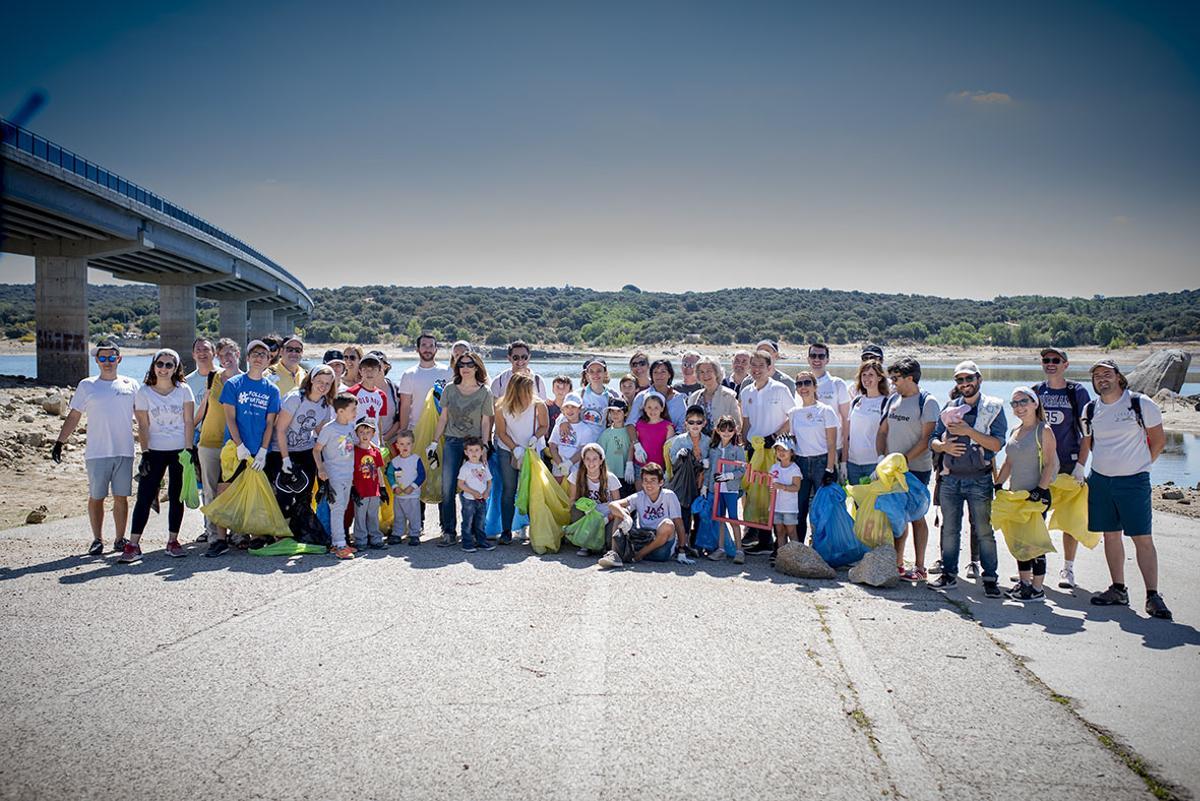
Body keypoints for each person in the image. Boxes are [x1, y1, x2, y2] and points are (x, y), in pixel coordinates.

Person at [1082, 360, 1171, 619]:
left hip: (1133, 481)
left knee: (1142, 538)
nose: (1101, 379)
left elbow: (1159, 441)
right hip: (1100, 480)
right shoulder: (1089, 409)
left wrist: (1140, 466)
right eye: (1097, 376)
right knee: (1111, 535)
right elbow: (1090, 442)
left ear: (1119, 377)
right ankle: (1118, 589)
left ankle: (1153, 595)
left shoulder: (1140, 404)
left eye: (1106, 374)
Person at [51, 342, 139, 556]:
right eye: (103, 358)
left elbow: (143, 418)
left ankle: (120, 539)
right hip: (97, 452)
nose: (107, 362)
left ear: (119, 359)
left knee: (121, 497)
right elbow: (74, 415)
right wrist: (60, 441)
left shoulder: (131, 384)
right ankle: (97, 539)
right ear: (96, 360)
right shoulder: (87, 385)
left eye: (111, 358)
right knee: (96, 496)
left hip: (125, 451)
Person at [928, 360, 1006, 594]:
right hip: (950, 479)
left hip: (980, 479)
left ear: (979, 379)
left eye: (969, 379)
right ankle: (949, 574)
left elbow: (997, 444)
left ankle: (990, 579)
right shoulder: (950, 406)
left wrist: (969, 432)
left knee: (983, 531)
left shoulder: (993, 408)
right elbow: (932, 439)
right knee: (949, 529)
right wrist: (943, 447)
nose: (965, 384)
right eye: (960, 380)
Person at [207, 339, 281, 556]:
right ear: (247, 358)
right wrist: (239, 445)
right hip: (233, 449)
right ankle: (220, 539)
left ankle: (256, 537)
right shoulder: (234, 384)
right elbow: (230, 417)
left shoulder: (272, 390)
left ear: (269, 361)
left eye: (264, 355)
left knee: (256, 493)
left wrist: (263, 450)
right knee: (224, 492)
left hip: (258, 451)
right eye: (255, 354)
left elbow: (270, 423)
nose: (259, 358)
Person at [124, 349, 196, 563]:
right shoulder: (144, 392)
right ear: (154, 366)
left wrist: (189, 449)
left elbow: (189, 421)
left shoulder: (184, 390)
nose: (164, 369)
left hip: (179, 451)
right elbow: (143, 425)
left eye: (169, 365)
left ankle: (173, 541)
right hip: (154, 451)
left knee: (176, 496)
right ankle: (133, 544)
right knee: (144, 497)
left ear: (176, 368)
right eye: (160, 364)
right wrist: (145, 453)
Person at [1033, 346, 1092, 589]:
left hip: (1068, 463)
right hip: (1041, 464)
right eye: (1046, 360)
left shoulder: (1076, 392)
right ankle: (1034, 568)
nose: (1050, 363)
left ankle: (1067, 569)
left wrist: (1081, 464)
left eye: (1056, 360)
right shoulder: (1037, 391)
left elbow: (1087, 431)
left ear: (1065, 364)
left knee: (1069, 520)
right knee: (1035, 516)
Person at [877, 357, 939, 579]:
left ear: (910, 378)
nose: (892, 383)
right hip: (892, 470)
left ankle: (920, 567)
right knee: (897, 516)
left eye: (896, 378)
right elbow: (883, 431)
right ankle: (898, 564)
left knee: (917, 516)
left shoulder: (927, 401)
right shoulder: (893, 399)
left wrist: (902, 460)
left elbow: (926, 440)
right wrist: (881, 458)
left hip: (916, 470)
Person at [994, 387, 1059, 602]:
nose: (1019, 407)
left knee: (1035, 541)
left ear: (1035, 403)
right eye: (1014, 403)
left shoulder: (1044, 430)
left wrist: (1039, 490)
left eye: (1023, 402)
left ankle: (1038, 589)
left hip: (1036, 497)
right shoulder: (1015, 431)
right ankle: (1024, 584)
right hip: (1017, 496)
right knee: (1020, 541)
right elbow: (1009, 461)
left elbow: (1049, 464)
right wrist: (999, 484)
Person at [430, 352, 493, 546]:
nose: (465, 367)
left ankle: (474, 532)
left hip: (474, 445)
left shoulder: (485, 392)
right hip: (452, 442)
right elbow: (443, 418)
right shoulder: (449, 389)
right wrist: (433, 442)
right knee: (448, 487)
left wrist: (484, 446)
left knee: (477, 486)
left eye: (469, 364)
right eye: (461, 364)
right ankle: (449, 531)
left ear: (477, 367)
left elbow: (485, 422)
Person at [268, 364, 336, 515]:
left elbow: (321, 433)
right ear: (311, 379)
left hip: (305, 450)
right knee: (284, 495)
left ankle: (301, 529)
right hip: (281, 450)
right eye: (320, 381)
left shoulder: (324, 404)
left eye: (327, 383)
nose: (323, 386)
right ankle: (280, 533)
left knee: (304, 495)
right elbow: (279, 430)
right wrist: (285, 459)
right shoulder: (295, 398)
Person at [598, 462, 691, 568]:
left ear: (661, 482)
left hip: (661, 547)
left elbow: (679, 523)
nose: (648, 484)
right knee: (620, 512)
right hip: (643, 539)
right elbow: (613, 505)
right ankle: (614, 554)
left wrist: (682, 550)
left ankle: (638, 556)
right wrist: (625, 516)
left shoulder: (669, 495)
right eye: (645, 480)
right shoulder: (639, 496)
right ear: (641, 483)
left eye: (653, 480)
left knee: (668, 524)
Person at [783, 370, 839, 547]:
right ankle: (799, 548)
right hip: (800, 463)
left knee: (821, 509)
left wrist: (830, 469)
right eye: (799, 384)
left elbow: (831, 444)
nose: (803, 387)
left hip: (822, 463)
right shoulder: (793, 413)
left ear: (815, 386)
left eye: (807, 383)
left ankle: (822, 547)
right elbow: (792, 442)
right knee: (799, 509)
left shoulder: (825, 410)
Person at [493, 372, 548, 544]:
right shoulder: (502, 407)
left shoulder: (538, 405)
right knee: (509, 489)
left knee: (532, 490)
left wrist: (534, 438)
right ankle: (506, 530)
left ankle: (535, 530)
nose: (528, 395)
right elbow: (501, 432)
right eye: (525, 390)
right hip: (508, 450)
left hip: (531, 450)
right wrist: (514, 448)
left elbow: (544, 426)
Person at [194, 339, 240, 542]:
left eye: (230, 353)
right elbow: (203, 408)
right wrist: (187, 437)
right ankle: (213, 536)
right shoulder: (213, 378)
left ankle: (238, 534)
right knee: (211, 492)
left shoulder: (246, 380)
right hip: (209, 442)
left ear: (238, 354)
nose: (226, 358)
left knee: (236, 490)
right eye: (221, 355)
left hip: (235, 444)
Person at [314, 393, 358, 559]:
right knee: (337, 508)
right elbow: (316, 449)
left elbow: (354, 444)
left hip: (348, 474)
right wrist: (321, 469)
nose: (355, 412)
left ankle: (338, 542)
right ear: (340, 411)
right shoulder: (329, 429)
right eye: (352, 409)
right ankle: (339, 544)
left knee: (343, 506)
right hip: (334, 475)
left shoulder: (349, 427)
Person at [567, 442, 624, 556]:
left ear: (601, 460)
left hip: (606, 516)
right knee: (575, 509)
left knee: (609, 541)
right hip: (588, 514)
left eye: (594, 459)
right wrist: (586, 514)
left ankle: (601, 545)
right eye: (587, 459)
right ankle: (585, 543)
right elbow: (571, 500)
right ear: (583, 460)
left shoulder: (610, 478)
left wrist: (608, 518)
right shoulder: (576, 475)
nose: (591, 463)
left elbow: (619, 504)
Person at [666, 404, 711, 542]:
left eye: (698, 422)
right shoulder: (679, 440)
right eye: (691, 422)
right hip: (685, 483)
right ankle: (683, 542)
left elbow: (712, 463)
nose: (695, 425)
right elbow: (673, 461)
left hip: (701, 482)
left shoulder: (708, 441)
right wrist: (681, 455)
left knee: (700, 512)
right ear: (686, 423)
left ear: (704, 423)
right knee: (684, 511)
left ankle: (696, 541)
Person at [807, 342, 851, 483]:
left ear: (827, 360)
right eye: (813, 355)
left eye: (821, 356)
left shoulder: (837, 384)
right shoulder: (802, 384)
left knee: (829, 496)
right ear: (808, 359)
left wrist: (843, 460)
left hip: (832, 450)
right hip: (807, 450)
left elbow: (846, 421)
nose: (817, 359)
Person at [706, 415, 746, 563]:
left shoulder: (737, 449)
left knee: (733, 519)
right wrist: (706, 486)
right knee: (720, 519)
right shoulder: (713, 449)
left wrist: (729, 475)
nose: (727, 433)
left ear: (734, 431)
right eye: (723, 429)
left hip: (731, 489)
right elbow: (710, 470)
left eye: (730, 430)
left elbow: (742, 469)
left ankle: (739, 550)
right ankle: (721, 549)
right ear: (717, 430)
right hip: (716, 489)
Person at [846, 360, 889, 485]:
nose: (866, 378)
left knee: (873, 503)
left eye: (871, 375)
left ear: (880, 378)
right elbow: (848, 433)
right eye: (863, 375)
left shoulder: (886, 402)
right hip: (853, 463)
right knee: (855, 503)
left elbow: (887, 434)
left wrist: (882, 461)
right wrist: (844, 462)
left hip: (873, 463)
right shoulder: (856, 401)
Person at [397, 333, 450, 432]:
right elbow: (405, 406)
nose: (427, 349)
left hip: (442, 429)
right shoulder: (408, 374)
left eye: (431, 346)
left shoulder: (448, 372)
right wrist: (403, 430)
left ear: (436, 349)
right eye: (424, 345)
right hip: (416, 429)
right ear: (417, 349)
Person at [351, 416, 387, 551]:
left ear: (373, 434)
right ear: (356, 434)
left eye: (368, 432)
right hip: (360, 491)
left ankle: (375, 538)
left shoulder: (375, 451)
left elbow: (378, 470)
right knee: (360, 516)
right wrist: (352, 488)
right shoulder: (354, 451)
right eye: (361, 432)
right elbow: (350, 471)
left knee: (373, 515)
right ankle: (360, 540)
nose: (365, 435)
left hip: (374, 490)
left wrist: (382, 488)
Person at [457, 435, 494, 553]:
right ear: (466, 452)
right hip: (469, 499)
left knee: (481, 521)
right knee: (468, 521)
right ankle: (467, 543)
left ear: (482, 451)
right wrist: (473, 492)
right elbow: (461, 484)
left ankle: (481, 541)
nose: (474, 453)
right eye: (471, 450)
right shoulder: (465, 467)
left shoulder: (484, 466)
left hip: (482, 499)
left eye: (477, 450)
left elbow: (489, 481)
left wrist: (487, 491)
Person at [769, 437, 804, 557]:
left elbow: (796, 487)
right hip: (776, 505)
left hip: (789, 507)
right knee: (779, 531)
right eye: (778, 449)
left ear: (792, 452)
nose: (781, 452)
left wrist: (782, 487)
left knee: (791, 531)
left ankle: (796, 556)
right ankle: (782, 557)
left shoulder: (795, 469)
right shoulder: (774, 467)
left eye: (784, 449)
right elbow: (770, 484)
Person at [389, 429, 426, 545]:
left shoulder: (416, 459)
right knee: (399, 515)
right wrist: (395, 486)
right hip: (399, 495)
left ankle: (414, 534)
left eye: (408, 444)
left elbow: (422, 475)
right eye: (402, 444)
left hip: (412, 495)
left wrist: (413, 486)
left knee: (414, 516)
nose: (405, 446)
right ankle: (397, 533)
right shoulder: (394, 462)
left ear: (412, 444)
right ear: (397, 446)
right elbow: (390, 475)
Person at [629, 390, 675, 484]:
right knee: (641, 496)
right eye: (649, 407)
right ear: (644, 408)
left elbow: (669, 451)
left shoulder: (668, 427)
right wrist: (629, 462)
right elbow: (633, 443)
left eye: (656, 408)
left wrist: (669, 470)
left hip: (659, 469)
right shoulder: (639, 424)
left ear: (662, 408)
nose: (652, 411)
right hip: (640, 467)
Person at [687, 356, 741, 435]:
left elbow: (737, 425)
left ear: (716, 372)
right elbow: (688, 424)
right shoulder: (694, 397)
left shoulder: (728, 395)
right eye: (701, 372)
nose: (705, 375)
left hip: (721, 444)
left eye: (709, 371)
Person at [628, 359, 687, 431]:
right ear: (651, 375)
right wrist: (636, 442)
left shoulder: (678, 399)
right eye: (655, 372)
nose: (659, 375)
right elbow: (630, 423)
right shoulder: (642, 397)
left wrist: (671, 440)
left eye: (663, 372)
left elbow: (683, 425)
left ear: (669, 374)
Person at [347, 353, 390, 445]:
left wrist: (381, 442)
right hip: (354, 441)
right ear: (360, 371)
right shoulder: (352, 392)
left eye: (373, 369)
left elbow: (379, 421)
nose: (369, 373)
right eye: (365, 369)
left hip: (374, 442)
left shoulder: (382, 395)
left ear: (379, 371)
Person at [549, 393, 597, 476]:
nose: (570, 410)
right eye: (567, 407)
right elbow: (552, 445)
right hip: (558, 468)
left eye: (573, 407)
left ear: (580, 409)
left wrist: (569, 463)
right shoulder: (559, 426)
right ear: (563, 409)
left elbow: (583, 449)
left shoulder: (586, 429)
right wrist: (560, 464)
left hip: (576, 470)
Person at [579, 358, 619, 439]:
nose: (595, 374)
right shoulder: (578, 394)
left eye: (599, 371)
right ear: (587, 375)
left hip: (601, 442)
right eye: (591, 371)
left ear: (605, 373)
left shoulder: (611, 396)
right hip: (581, 442)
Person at [599, 398, 634, 492]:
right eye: (612, 411)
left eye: (619, 411)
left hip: (627, 474)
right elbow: (600, 454)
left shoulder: (630, 431)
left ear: (625, 413)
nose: (615, 414)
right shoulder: (606, 433)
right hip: (610, 475)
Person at [183, 337, 215, 441]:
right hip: (197, 434)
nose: (202, 353)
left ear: (214, 353)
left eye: (206, 349)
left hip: (221, 434)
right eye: (198, 350)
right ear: (193, 355)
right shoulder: (186, 382)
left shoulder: (225, 376)